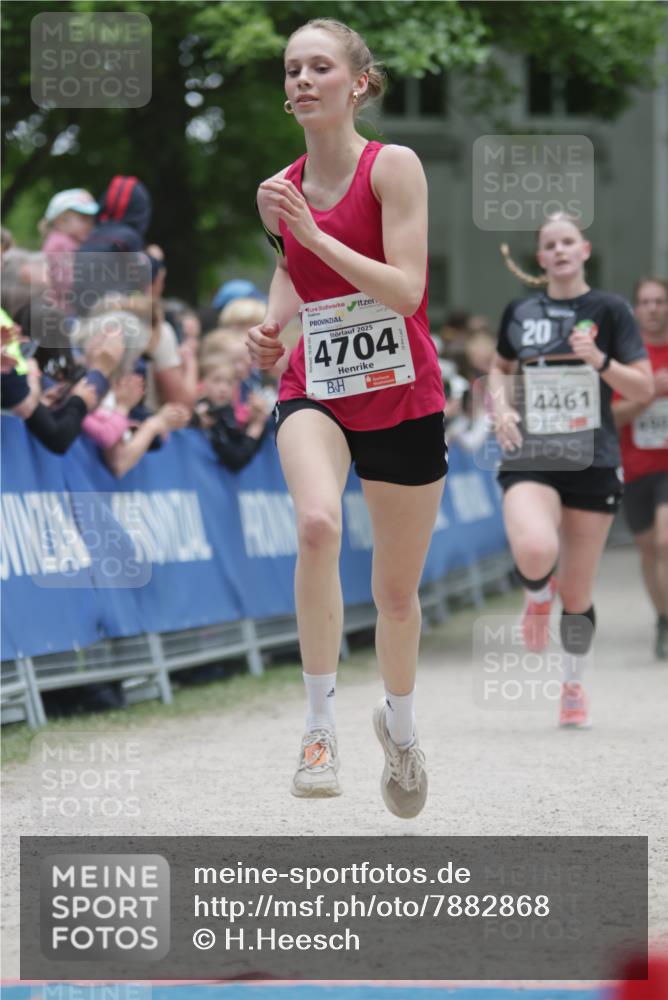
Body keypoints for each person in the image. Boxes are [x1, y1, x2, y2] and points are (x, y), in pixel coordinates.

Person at [247, 18, 447, 817]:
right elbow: (291, 280)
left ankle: (399, 729)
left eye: (319, 67)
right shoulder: (277, 190)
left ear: (358, 83)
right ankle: (319, 725)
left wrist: (309, 234)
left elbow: (405, 290)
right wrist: (271, 330)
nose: (300, 80)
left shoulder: (392, 166)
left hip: (401, 393)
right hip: (317, 387)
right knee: (319, 525)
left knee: (395, 596)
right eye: (292, 69)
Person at [488, 215, 653, 728]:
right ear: (541, 259)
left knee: (579, 594)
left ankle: (573, 684)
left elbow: (644, 388)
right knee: (536, 548)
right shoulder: (521, 310)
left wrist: (600, 361)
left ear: (583, 250)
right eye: (548, 245)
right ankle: (537, 594)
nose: (559, 251)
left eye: (567, 242)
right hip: (532, 454)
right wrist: (501, 407)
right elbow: (498, 367)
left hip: (593, 459)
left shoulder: (611, 310)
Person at [612, 278, 668, 659]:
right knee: (649, 551)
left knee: (666, 542)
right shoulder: (628, 358)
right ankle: (662, 618)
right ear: (636, 308)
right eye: (646, 302)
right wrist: (646, 395)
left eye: (660, 301)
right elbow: (611, 416)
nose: (653, 308)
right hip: (636, 468)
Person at [191, 357, 270, 472]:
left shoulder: (227, 412)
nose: (223, 388)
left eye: (229, 383)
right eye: (216, 380)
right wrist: (256, 426)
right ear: (201, 382)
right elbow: (236, 459)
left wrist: (255, 421)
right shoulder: (200, 412)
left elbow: (240, 450)